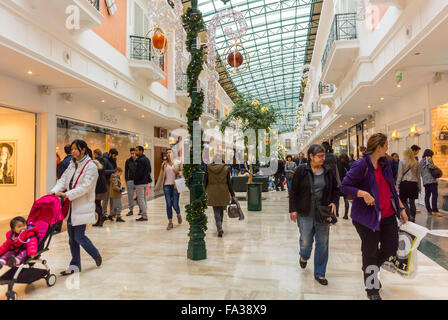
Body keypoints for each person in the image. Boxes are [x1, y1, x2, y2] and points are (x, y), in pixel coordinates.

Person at [340, 133, 408, 300]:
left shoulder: (385, 163)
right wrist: (362, 193)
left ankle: (369, 269)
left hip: (388, 215)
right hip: (366, 218)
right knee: (370, 252)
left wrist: (401, 208)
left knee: (391, 248)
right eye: (386, 145)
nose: (387, 148)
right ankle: (372, 289)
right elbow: (344, 186)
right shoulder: (361, 165)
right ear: (378, 147)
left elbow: (392, 188)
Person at [50, 139, 102, 275]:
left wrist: (66, 194)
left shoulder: (91, 166)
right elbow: (63, 179)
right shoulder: (72, 164)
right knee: (72, 239)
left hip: (82, 206)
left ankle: (95, 254)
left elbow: (85, 187)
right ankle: (75, 266)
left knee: (79, 236)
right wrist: (54, 191)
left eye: (75, 149)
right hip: (71, 207)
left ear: (83, 150)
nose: (73, 151)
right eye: (72, 148)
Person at [289, 144, 338, 286]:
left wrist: (334, 202)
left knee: (322, 243)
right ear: (311, 156)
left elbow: (335, 189)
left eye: (324, 156)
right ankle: (304, 256)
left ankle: (320, 273)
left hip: (323, 212)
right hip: (305, 212)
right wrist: (293, 209)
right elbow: (293, 192)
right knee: (306, 242)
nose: (323, 159)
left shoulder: (328, 171)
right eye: (320, 156)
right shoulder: (301, 170)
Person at [204, 155, 236, 237]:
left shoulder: (208, 168)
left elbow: (205, 181)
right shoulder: (226, 168)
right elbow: (229, 182)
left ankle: (219, 227)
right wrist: (232, 194)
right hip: (223, 190)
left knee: (216, 210)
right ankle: (220, 227)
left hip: (212, 191)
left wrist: (203, 191)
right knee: (221, 209)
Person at [154, 149, 182, 230]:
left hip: (175, 186)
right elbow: (161, 176)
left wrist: (178, 173)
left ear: (173, 153)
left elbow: (183, 173)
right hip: (166, 186)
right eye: (167, 152)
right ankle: (170, 222)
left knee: (175, 204)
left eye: (170, 152)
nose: (168, 154)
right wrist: (156, 187)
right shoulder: (164, 164)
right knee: (168, 204)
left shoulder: (178, 163)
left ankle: (178, 214)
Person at [396, 148, 421, 223]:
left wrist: (397, 185)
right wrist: (419, 187)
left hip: (405, 184)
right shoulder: (416, 162)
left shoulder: (402, 162)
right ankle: (413, 217)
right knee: (412, 202)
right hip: (413, 184)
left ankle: (408, 215)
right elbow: (418, 176)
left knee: (403, 201)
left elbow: (400, 175)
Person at [420, 149, 443, 217]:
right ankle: (435, 210)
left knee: (427, 196)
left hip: (425, 181)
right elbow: (431, 166)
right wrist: (438, 168)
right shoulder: (429, 158)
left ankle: (429, 210)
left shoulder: (421, 161)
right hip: (432, 180)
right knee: (434, 195)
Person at [134, 146, 151, 222]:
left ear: (141, 151)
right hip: (145, 182)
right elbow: (149, 170)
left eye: (137, 150)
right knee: (143, 199)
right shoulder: (147, 159)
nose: (135, 152)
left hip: (140, 182)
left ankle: (144, 215)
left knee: (140, 199)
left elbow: (138, 172)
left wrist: (135, 178)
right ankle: (144, 214)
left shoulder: (140, 160)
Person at [92, 149, 108, 227]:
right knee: (98, 204)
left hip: (98, 189)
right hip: (102, 188)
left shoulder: (95, 165)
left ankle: (101, 218)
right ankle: (99, 220)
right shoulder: (103, 163)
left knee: (96, 204)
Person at [125, 148, 138, 216]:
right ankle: (131, 210)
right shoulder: (128, 161)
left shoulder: (139, 160)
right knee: (130, 196)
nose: (132, 155)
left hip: (138, 181)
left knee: (139, 196)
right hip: (130, 180)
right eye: (131, 154)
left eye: (134, 153)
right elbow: (126, 171)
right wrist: (127, 180)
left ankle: (141, 210)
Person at [337, 154, 351, 219]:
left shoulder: (338, 165)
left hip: (340, 184)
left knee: (337, 199)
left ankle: (336, 213)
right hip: (346, 184)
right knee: (346, 200)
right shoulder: (348, 165)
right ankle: (346, 215)